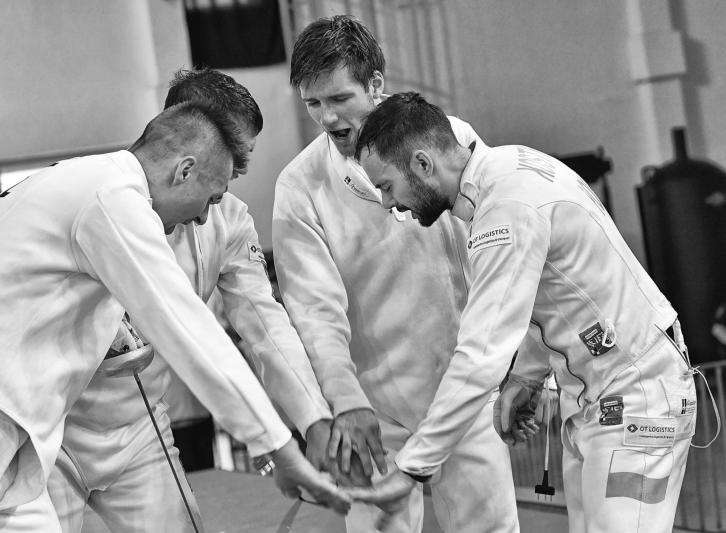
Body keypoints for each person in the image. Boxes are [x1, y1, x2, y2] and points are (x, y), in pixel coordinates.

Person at [350, 91, 697, 533]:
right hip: (599, 400)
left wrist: (411, 468)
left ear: (422, 164)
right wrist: (527, 377)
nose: (387, 203)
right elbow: (550, 294)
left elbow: (480, 356)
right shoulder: (507, 167)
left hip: (638, 398)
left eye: (386, 186)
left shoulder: (505, 210)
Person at [0, 101, 350, 532]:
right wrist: (277, 444)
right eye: (211, 195)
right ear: (185, 169)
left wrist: (309, 420)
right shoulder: (112, 199)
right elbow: (186, 328)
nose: (204, 215)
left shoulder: (84, 183)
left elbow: (265, 326)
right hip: (46, 424)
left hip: (52, 430)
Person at [272, 15, 519, 533]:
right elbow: (314, 314)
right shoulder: (300, 187)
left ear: (376, 84)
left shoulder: (448, 139)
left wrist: (521, 365)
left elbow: (497, 259)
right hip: (372, 411)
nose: (327, 117)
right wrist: (345, 402)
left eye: (339, 98)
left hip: (461, 392)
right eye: (313, 103)